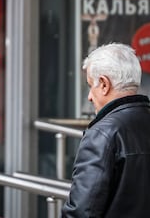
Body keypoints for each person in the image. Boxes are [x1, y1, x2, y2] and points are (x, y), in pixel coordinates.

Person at [62, 43, 150, 217]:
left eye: (90, 85)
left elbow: (82, 212)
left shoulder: (102, 134)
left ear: (103, 84)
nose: (89, 97)